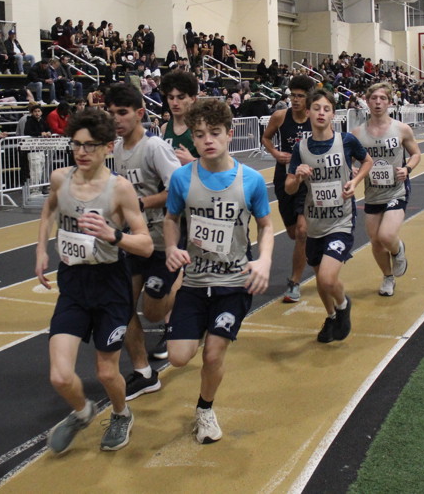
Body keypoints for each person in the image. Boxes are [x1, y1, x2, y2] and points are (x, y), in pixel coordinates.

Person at [36, 108, 152, 454]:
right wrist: (41, 250)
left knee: (106, 373)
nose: (82, 152)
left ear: (108, 147)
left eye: (90, 145)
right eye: (76, 144)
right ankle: (82, 411)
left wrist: (113, 234)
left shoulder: (120, 189)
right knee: (60, 376)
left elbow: (145, 244)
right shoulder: (61, 179)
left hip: (110, 285)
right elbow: (49, 210)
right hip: (73, 282)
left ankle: (120, 413)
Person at [163, 98, 273, 443]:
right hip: (195, 281)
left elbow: (266, 226)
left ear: (229, 134)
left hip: (233, 282)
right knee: (178, 357)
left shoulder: (250, 180)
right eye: (199, 135)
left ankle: (205, 409)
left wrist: (264, 260)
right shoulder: (182, 178)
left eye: (214, 132)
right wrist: (171, 247)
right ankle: (194, 328)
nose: (207, 140)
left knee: (213, 354)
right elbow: (171, 218)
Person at [105, 84, 182, 401]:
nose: (116, 119)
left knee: (152, 312)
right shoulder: (118, 150)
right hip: (135, 241)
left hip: (162, 240)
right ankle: (144, 373)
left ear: (139, 113)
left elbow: (178, 188)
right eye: (111, 113)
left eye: (122, 113)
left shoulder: (154, 148)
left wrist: (142, 203)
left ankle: (182, 288)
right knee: (121, 305)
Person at [285, 88, 371, 342]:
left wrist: (355, 181)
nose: (321, 113)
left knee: (326, 277)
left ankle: (343, 306)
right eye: (316, 108)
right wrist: (297, 177)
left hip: (341, 220)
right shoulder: (301, 148)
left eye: (326, 109)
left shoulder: (346, 141)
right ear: (308, 112)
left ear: (334, 114)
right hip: (314, 223)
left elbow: (367, 162)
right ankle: (332, 316)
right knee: (320, 280)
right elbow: (289, 188)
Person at [353, 83, 420, 297]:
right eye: (374, 98)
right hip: (372, 193)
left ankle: (398, 249)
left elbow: (416, 153)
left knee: (387, 235)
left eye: (382, 98)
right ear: (367, 101)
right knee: (375, 241)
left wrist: (407, 169)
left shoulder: (401, 129)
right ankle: (388, 277)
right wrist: (352, 169)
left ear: (389, 102)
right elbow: (348, 160)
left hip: (396, 190)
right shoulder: (358, 133)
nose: (378, 102)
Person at [261, 75, 315, 302]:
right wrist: (275, 153)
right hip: (285, 177)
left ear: (309, 97)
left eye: (300, 96)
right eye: (293, 95)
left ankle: (294, 282)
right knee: (293, 233)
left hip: (308, 180)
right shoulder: (280, 116)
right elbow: (266, 138)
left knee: (302, 231)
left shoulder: (316, 117)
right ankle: (310, 246)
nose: (295, 100)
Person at [159, 70, 200, 165]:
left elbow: (216, 166)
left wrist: (192, 161)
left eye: (181, 97)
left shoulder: (201, 128)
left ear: (193, 99)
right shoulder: (165, 128)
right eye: (171, 98)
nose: (175, 103)